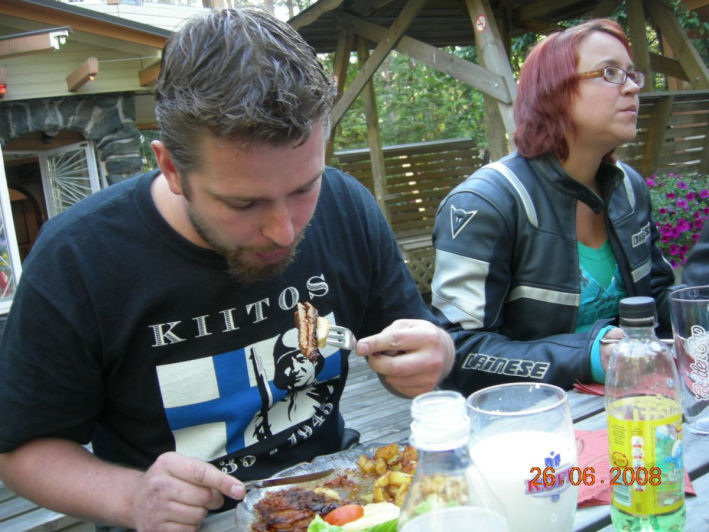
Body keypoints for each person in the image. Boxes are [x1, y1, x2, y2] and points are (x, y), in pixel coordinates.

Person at [0, 8, 454, 531]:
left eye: (304, 188)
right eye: (243, 204)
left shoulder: (347, 207)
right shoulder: (79, 258)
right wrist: (131, 497)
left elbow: (408, 353)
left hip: (337, 505)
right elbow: (20, 450)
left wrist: (434, 356)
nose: (283, 230)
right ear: (172, 168)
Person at [431, 18, 676, 394]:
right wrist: (588, 356)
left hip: (633, 404)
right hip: (529, 417)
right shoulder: (485, 204)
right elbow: (457, 352)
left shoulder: (628, 188)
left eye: (631, 74)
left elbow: (656, 299)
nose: (632, 87)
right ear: (553, 92)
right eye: (610, 73)